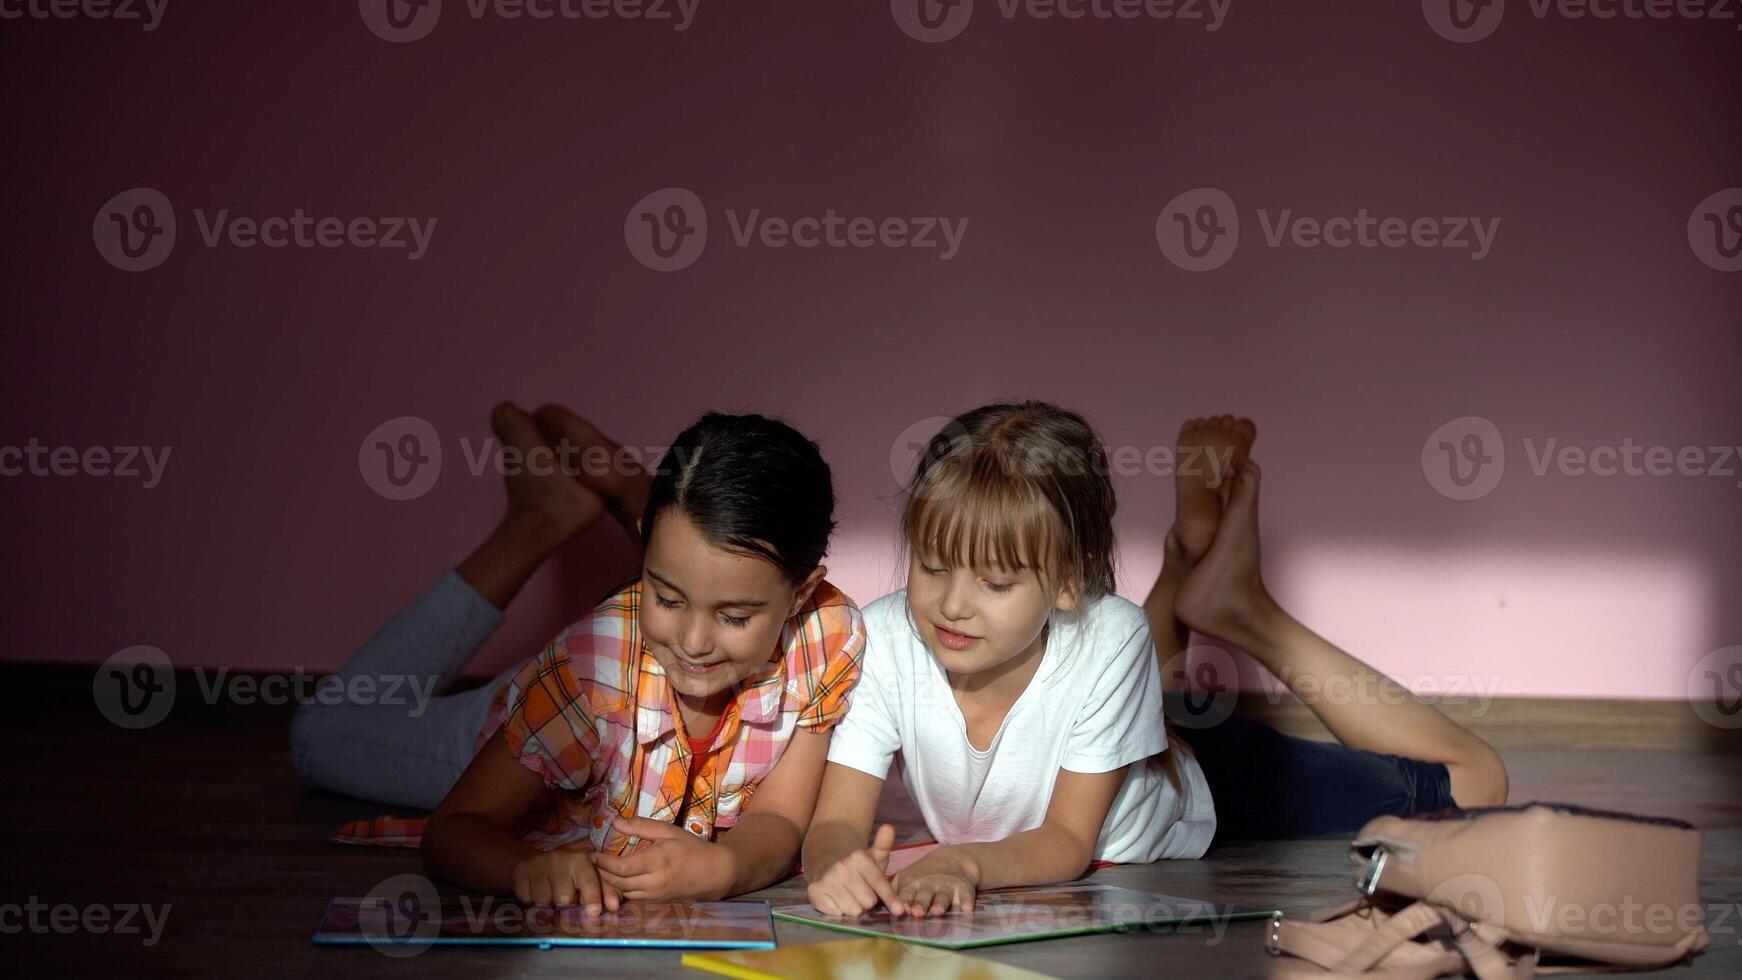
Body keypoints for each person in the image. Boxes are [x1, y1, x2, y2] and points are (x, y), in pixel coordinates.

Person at [290, 403, 866, 914]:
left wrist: (726, 868)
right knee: (320, 736)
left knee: (670, 613)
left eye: (734, 616)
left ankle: (635, 505)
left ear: (800, 593)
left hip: (624, 674)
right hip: (558, 715)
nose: (693, 641)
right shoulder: (585, 670)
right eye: (666, 596)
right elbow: (454, 832)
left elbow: (781, 819)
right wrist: (521, 867)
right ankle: (537, 521)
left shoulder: (825, 635)